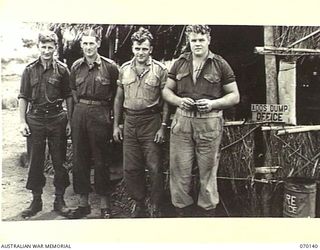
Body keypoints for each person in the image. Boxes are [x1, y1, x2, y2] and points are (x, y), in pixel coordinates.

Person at [162, 25, 240, 217]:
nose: (197, 43)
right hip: (183, 121)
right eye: (194, 40)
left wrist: (214, 104)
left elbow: (234, 96)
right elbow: (166, 91)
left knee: (208, 171)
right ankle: (182, 211)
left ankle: (207, 212)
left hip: (209, 122)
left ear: (209, 40)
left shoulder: (220, 64)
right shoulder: (180, 62)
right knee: (180, 170)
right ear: (189, 41)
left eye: (201, 39)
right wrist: (179, 100)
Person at [113, 27, 170, 218]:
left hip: (151, 121)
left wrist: (163, 127)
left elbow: (166, 100)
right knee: (131, 167)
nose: (141, 53)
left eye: (144, 49)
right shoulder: (124, 70)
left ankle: (155, 204)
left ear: (151, 49)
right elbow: (119, 99)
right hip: (130, 122)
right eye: (137, 48)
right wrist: (116, 124)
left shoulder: (160, 71)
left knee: (154, 166)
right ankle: (139, 203)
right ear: (132, 48)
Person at [18, 30, 73, 218]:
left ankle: (60, 200)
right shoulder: (29, 70)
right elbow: (23, 97)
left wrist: (70, 122)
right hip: (35, 119)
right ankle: (36, 200)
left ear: (55, 48)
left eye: (50, 47)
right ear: (38, 47)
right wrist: (22, 121)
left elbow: (68, 97)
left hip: (58, 118)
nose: (47, 51)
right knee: (35, 161)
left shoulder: (63, 70)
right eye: (44, 47)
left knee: (60, 161)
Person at [68, 28, 119, 219]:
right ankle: (83, 203)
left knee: (101, 159)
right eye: (85, 43)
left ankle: (105, 204)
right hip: (80, 112)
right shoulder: (76, 67)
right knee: (79, 158)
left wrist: (112, 118)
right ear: (81, 45)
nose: (88, 47)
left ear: (98, 44)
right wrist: (74, 117)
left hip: (101, 113)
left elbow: (116, 95)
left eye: (92, 43)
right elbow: (73, 93)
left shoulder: (110, 67)